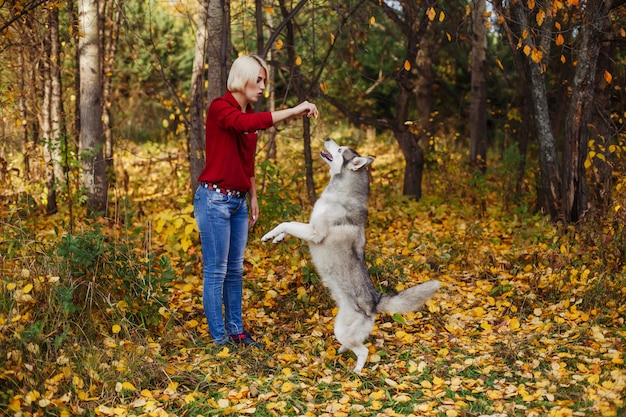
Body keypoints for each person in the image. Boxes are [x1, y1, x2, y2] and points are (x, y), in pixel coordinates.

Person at [194, 54, 318, 347]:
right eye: (258, 79)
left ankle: (237, 331)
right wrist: (295, 109)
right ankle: (219, 339)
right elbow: (244, 124)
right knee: (216, 271)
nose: (263, 86)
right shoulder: (220, 109)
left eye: (265, 81)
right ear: (243, 77)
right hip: (214, 200)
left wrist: (253, 195)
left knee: (235, 270)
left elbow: (246, 161)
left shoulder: (247, 114)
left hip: (237, 202)